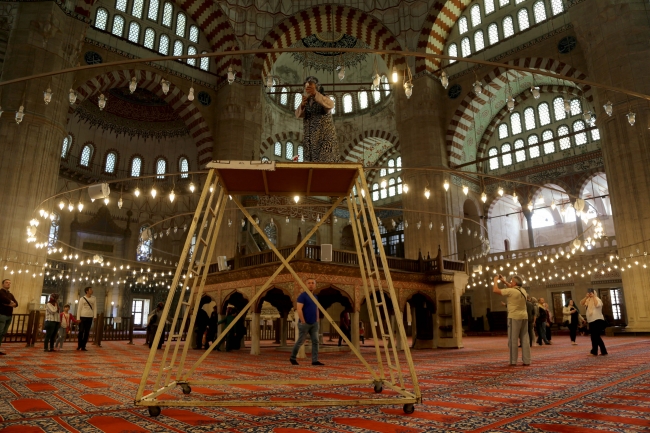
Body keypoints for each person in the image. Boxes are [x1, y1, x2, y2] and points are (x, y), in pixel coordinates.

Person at [295, 76, 339, 163]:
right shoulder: (307, 102)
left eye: (311, 84)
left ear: (317, 86)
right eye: (306, 85)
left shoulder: (323, 98)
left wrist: (315, 93)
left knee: (325, 165)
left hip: (324, 140)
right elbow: (297, 114)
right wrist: (303, 105)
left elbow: (330, 104)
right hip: (310, 142)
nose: (308, 87)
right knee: (311, 166)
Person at [492, 274, 530, 366]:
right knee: (525, 339)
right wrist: (504, 281)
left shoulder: (512, 291)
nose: (510, 282)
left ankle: (513, 361)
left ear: (515, 283)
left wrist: (495, 280)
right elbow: (512, 287)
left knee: (513, 339)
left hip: (514, 317)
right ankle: (527, 360)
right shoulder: (523, 290)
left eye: (512, 281)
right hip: (524, 317)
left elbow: (495, 290)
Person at [290, 278, 323, 366]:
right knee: (300, 341)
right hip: (305, 323)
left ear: (315, 285)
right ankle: (293, 358)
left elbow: (317, 308)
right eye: (309, 283)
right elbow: (299, 309)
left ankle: (315, 360)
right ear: (306, 285)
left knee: (315, 341)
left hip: (314, 323)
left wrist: (317, 319)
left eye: (313, 283)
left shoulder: (315, 297)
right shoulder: (302, 296)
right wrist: (303, 320)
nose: (311, 284)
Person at [581, 289, 608, 356]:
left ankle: (594, 351)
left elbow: (597, 305)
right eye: (589, 293)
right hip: (591, 320)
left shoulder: (597, 299)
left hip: (597, 320)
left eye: (591, 293)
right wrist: (586, 297)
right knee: (595, 336)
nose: (590, 294)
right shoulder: (588, 300)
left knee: (595, 336)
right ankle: (602, 351)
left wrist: (593, 297)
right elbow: (581, 303)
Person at [0, 279, 18, 355]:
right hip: (2, 315)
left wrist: (9, 303)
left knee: (3, 333)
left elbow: (16, 304)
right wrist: (10, 302)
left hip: (9, 315)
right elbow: (4, 299)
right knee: (0, 332)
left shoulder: (10, 294)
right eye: (6, 283)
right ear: (2, 284)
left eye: (9, 283)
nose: (8, 284)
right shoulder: (0, 292)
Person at [77, 287, 96, 351]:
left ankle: (83, 346)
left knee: (87, 332)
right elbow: (79, 308)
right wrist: (78, 318)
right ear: (87, 291)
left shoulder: (94, 298)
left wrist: (95, 316)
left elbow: (95, 308)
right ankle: (79, 345)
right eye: (91, 289)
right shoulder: (82, 299)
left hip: (90, 316)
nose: (92, 290)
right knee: (81, 331)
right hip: (82, 316)